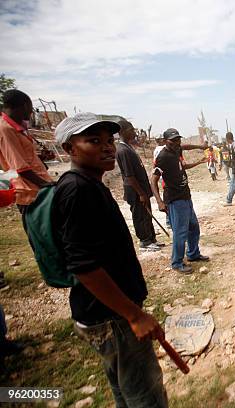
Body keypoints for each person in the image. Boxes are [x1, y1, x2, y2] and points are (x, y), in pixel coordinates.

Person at [53, 112, 167, 407]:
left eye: (108, 141)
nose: (107, 148)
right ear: (69, 149)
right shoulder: (77, 189)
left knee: (124, 391)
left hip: (107, 315)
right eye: (94, 141)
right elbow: (84, 266)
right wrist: (134, 315)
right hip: (112, 319)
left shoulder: (88, 183)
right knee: (145, 396)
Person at [151, 128, 210, 274]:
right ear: (165, 141)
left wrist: (200, 147)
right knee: (180, 232)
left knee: (194, 227)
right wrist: (159, 202)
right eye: (173, 140)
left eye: (178, 140)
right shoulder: (162, 157)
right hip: (175, 199)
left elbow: (185, 147)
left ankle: (193, 254)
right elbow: (153, 181)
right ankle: (177, 262)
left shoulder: (176, 150)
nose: (177, 143)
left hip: (185, 196)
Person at [0, 90, 53, 214]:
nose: (31, 111)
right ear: (25, 106)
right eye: (31, 107)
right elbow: (19, 167)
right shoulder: (5, 129)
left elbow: (23, 157)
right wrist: (48, 186)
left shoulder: (15, 127)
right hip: (30, 193)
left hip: (36, 189)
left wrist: (40, 158)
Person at [116, 119, 161, 251]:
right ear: (122, 132)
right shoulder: (122, 150)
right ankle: (145, 241)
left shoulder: (128, 147)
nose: (134, 132)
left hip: (142, 189)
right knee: (140, 215)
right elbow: (129, 176)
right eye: (131, 130)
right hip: (135, 191)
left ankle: (152, 238)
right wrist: (141, 193)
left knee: (147, 214)